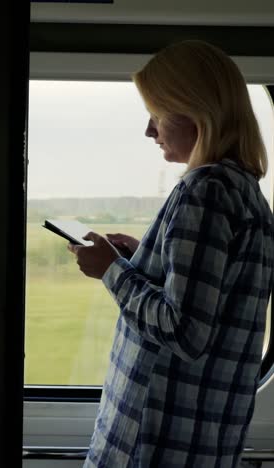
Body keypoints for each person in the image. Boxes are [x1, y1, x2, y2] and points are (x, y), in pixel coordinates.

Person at [68, 40, 274, 468]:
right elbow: (209, 296)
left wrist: (110, 270)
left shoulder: (203, 191)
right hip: (197, 443)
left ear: (196, 112)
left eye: (157, 114)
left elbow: (185, 332)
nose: (149, 130)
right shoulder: (242, 190)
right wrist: (143, 257)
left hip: (155, 444)